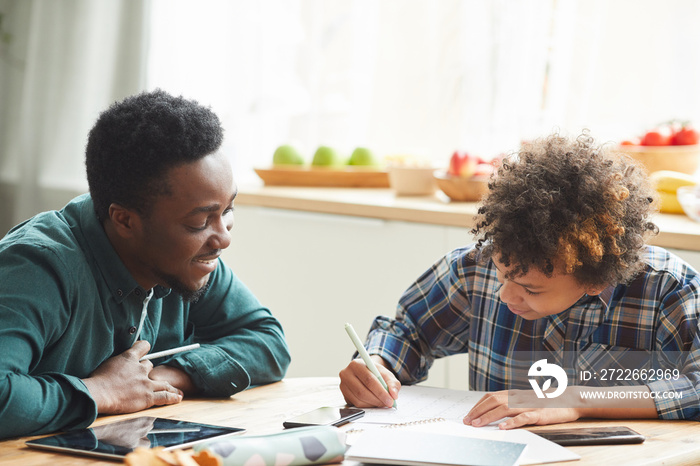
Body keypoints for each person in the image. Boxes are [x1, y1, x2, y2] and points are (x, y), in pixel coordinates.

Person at [339, 131, 700, 429]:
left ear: (595, 279)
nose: (505, 294)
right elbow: (408, 332)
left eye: (530, 288)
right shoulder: (474, 269)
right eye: (502, 272)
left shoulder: (668, 290)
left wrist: (574, 398)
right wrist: (376, 364)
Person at [0, 90, 291, 439]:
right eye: (199, 222)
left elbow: (267, 341)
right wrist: (102, 391)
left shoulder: (189, 259)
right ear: (124, 221)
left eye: (227, 211)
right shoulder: (37, 267)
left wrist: (161, 376)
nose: (223, 238)